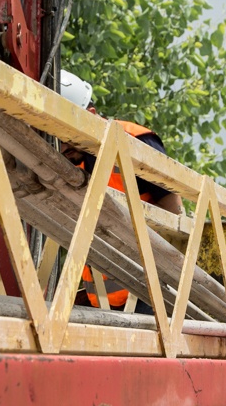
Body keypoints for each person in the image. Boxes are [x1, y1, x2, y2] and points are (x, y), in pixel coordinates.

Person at [58, 70, 182, 312]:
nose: (62, 146)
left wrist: (169, 274)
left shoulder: (133, 142)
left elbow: (171, 207)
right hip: (103, 301)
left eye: (67, 135)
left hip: (149, 295)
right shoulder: (72, 161)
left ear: (90, 115)